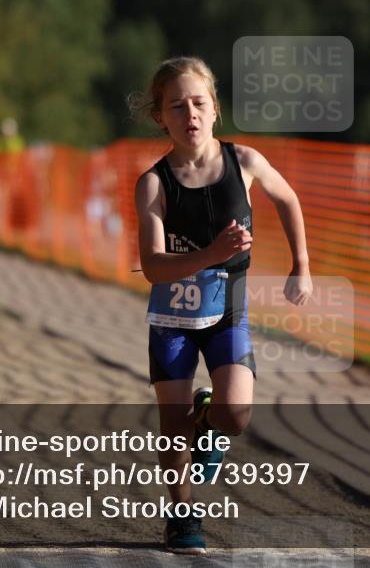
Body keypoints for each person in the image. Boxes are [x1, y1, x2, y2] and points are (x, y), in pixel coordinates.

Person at [131, 57, 312, 554]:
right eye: (176, 106)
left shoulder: (245, 161)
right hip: (172, 318)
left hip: (227, 309)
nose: (189, 113)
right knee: (173, 427)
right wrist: (211, 253)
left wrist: (301, 264)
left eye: (198, 103)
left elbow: (288, 199)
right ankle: (182, 516)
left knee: (236, 414)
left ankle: (209, 422)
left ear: (214, 109)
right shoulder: (153, 184)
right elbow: (153, 266)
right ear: (160, 117)